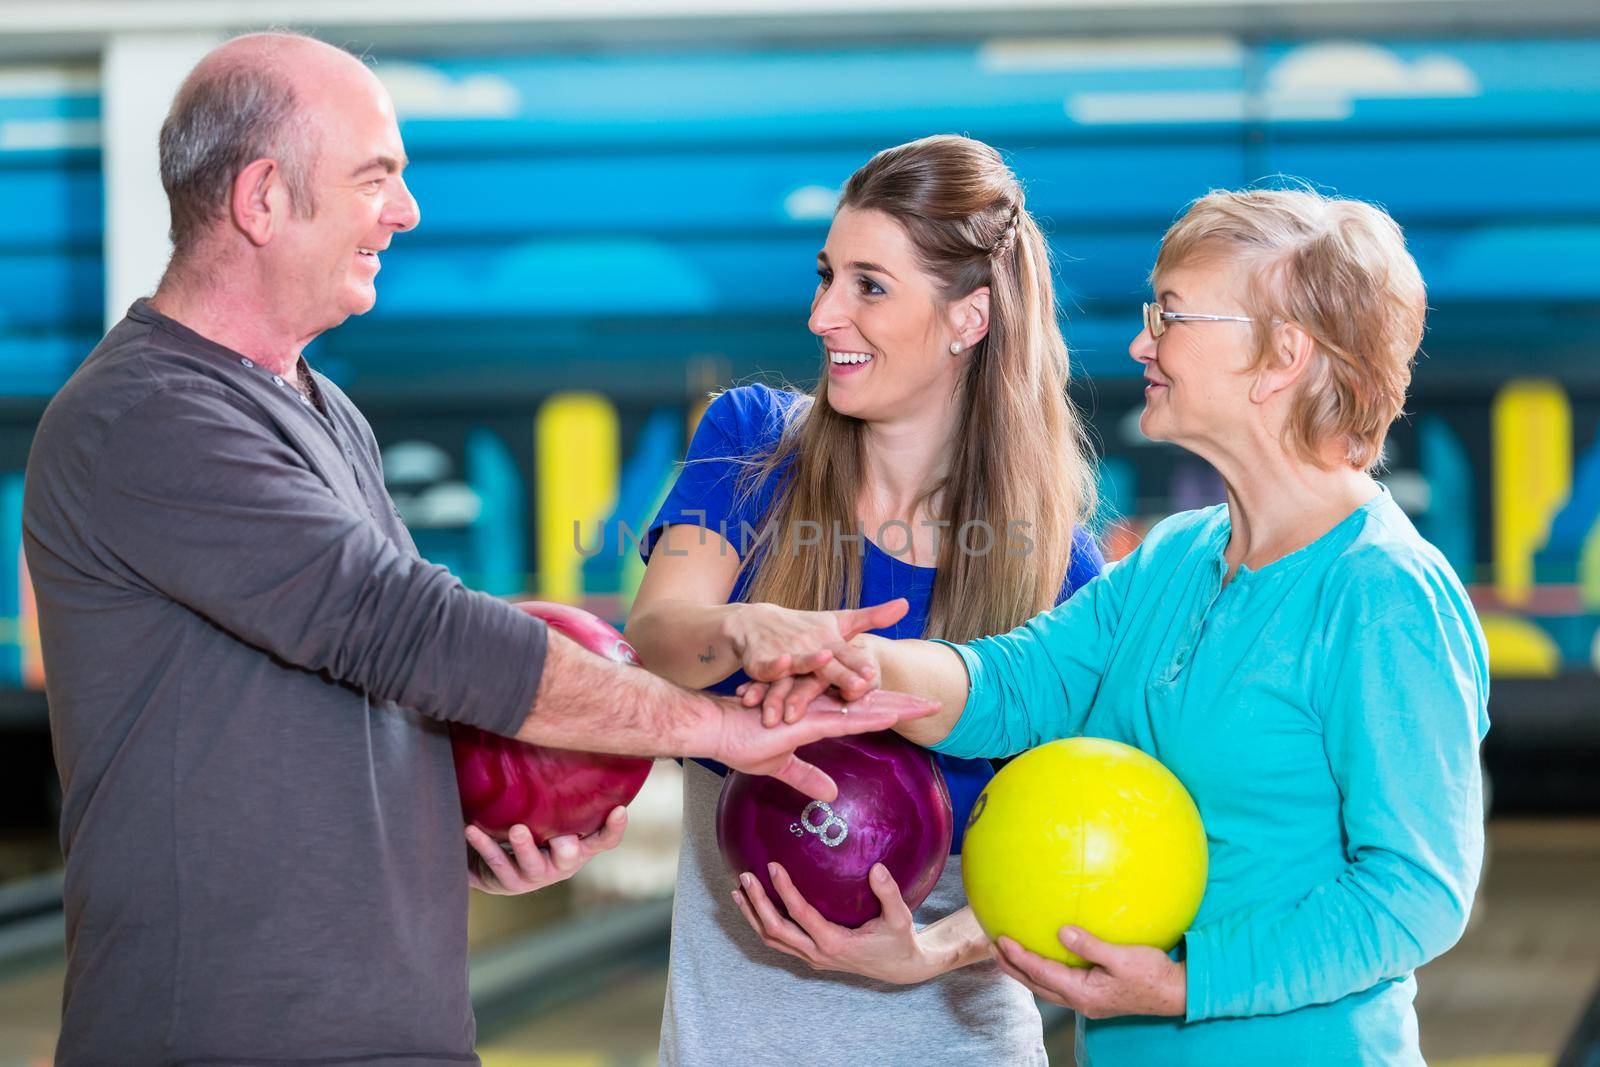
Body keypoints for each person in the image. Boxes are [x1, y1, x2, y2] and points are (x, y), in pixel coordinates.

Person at [22, 32, 932, 1067]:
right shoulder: (144, 415)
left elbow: (365, 700)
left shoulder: (324, 412)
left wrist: (476, 830)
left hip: (389, 1026)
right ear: (263, 198)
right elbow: (403, 626)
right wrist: (708, 726)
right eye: (377, 178)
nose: (405, 212)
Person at [738, 186, 1490, 1065]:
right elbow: (1019, 682)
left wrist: (1184, 984)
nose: (1141, 342)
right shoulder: (1179, 556)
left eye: (1169, 315)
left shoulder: (1383, 593)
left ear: (1282, 353)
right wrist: (859, 666)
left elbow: (1416, 894)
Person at [625, 134, 1104, 1066]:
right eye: (825, 275)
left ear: (970, 318)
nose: (822, 314)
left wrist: (935, 950)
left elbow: (1081, 851)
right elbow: (658, 635)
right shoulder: (752, 442)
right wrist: (742, 627)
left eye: (868, 286)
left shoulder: (1059, 570)